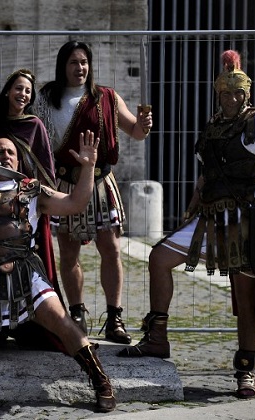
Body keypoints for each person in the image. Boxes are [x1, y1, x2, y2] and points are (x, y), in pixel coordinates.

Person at [118, 50, 255, 399]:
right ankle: (157, 337)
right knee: (159, 258)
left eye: (237, 93)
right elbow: (207, 171)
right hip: (208, 218)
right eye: (225, 93)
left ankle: (245, 371)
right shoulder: (213, 125)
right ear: (218, 93)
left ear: (246, 94)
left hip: (245, 223)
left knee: (246, 298)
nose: (231, 98)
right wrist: (193, 202)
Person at [0, 133, 116, 413]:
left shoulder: (33, 191)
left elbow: (75, 203)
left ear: (18, 159)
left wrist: (88, 167)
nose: (5, 154)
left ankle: (101, 381)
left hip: (23, 272)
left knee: (64, 324)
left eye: (10, 152)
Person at [36, 41, 153, 343]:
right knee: (69, 253)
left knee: (111, 250)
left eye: (84, 62)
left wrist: (144, 124)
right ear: (63, 66)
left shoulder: (107, 98)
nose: (80, 68)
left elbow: (137, 133)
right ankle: (77, 314)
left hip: (101, 182)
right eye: (74, 62)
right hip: (65, 183)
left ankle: (115, 318)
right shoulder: (48, 98)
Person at [0, 68, 62, 350]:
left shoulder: (35, 125)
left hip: (25, 209)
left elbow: (46, 172)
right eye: (18, 88)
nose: (23, 94)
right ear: (7, 91)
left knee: (27, 268)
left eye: (27, 91)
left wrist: (28, 191)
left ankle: (31, 326)